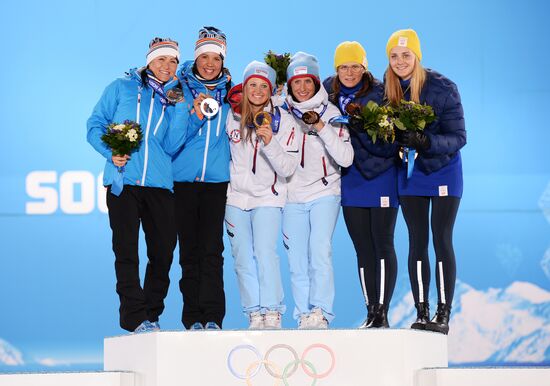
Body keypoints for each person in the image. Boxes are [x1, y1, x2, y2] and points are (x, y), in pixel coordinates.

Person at [87, 38, 188, 333]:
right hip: (124, 182)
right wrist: (111, 152)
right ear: (149, 61)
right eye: (161, 60)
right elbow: (95, 124)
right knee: (127, 251)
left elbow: (172, 144)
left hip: (159, 184)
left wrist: (180, 107)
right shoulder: (122, 87)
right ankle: (133, 317)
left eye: (173, 62)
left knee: (164, 251)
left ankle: (151, 313)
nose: (167, 67)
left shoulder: (173, 98)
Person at [384, 29, 466, 334]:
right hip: (410, 174)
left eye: (406, 55)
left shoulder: (443, 87)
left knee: (442, 238)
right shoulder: (388, 89)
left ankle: (443, 313)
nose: (400, 61)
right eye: (394, 56)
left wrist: (425, 141)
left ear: (417, 56)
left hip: (443, 171)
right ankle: (422, 312)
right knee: (417, 241)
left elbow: (459, 137)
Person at [323, 41, 398, 328]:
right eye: (344, 66)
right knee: (362, 248)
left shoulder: (381, 94)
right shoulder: (328, 92)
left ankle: (382, 311)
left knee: (383, 244)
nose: (350, 72)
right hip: (351, 179)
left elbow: (390, 143)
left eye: (355, 66)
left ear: (364, 68)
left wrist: (361, 128)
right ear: (337, 69)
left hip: (380, 177)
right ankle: (371, 311)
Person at [225, 61, 299, 329]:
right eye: (252, 85)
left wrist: (269, 143)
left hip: (268, 198)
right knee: (242, 257)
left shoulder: (284, 120)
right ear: (244, 88)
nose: (257, 91)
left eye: (263, 86)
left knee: (266, 253)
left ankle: (272, 310)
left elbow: (289, 167)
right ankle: (253, 312)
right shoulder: (230, 116)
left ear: (271, 90)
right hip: (235, 199)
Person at [282, 52, 353, 329]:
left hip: (325, 192)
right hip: (292, 195)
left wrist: (320, 127)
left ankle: (321, 311)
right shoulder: (282, 112)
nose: (302, 88)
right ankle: (302, 313)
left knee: (319, 250)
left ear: (315, 82)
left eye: (307, 81)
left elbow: (346, 158)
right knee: (296, 257)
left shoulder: (332, 113)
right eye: (296, 82)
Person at [172, 26, 232, 330]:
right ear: (196, 58)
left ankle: (213, 317)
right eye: (204, 57)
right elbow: (172, 138)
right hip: (182, 181)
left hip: (216, 182)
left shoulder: (231, 93)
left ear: (223, 60)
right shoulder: (178, 89)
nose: (210, 63)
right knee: (189, 251)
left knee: (212, 250)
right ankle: (192, 317)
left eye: (216, 58)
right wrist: (194, 115)